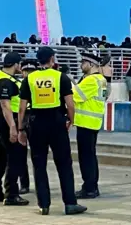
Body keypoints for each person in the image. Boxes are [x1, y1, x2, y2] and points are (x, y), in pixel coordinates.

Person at [18, 47, 87, 215]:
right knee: (64, 163)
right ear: (52, 59)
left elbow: (21, 108)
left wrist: (21, 128)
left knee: (39, 164)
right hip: (56, 122)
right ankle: (70, 203)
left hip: (36, 123)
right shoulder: (60, 77)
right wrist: (71, 120)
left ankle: (44, 205)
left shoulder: (30, 78)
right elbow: (70, 104)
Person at [0, 52, 29, 206]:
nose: (21, 67)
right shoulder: (5, 81)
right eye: (19, 64)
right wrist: (13, 127)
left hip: (4, 121)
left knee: (2, 157)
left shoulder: (3, 77)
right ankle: (11, 194)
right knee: (15, 157)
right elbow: (5, 105)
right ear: (16, 64)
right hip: (8, 122)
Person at [73, 53, 108, 199]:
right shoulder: (101, 80)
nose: (81, 65)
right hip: (93, 121)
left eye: (84, 62)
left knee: (86, 157)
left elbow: (74, 95)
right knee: (90, 156)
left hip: (86, 122)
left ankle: (89, 188)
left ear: (91, 65)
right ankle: (92, 186)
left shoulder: (91, 81)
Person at [17, 59, 40, 194]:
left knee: (37, 155)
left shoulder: (38, 84)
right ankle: (24, 184)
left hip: (34, 120)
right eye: (27, 71)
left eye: (31, 71)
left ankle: (39, 183)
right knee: (21, 155)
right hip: (23, 120)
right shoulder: (20, 84)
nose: (28, 74)